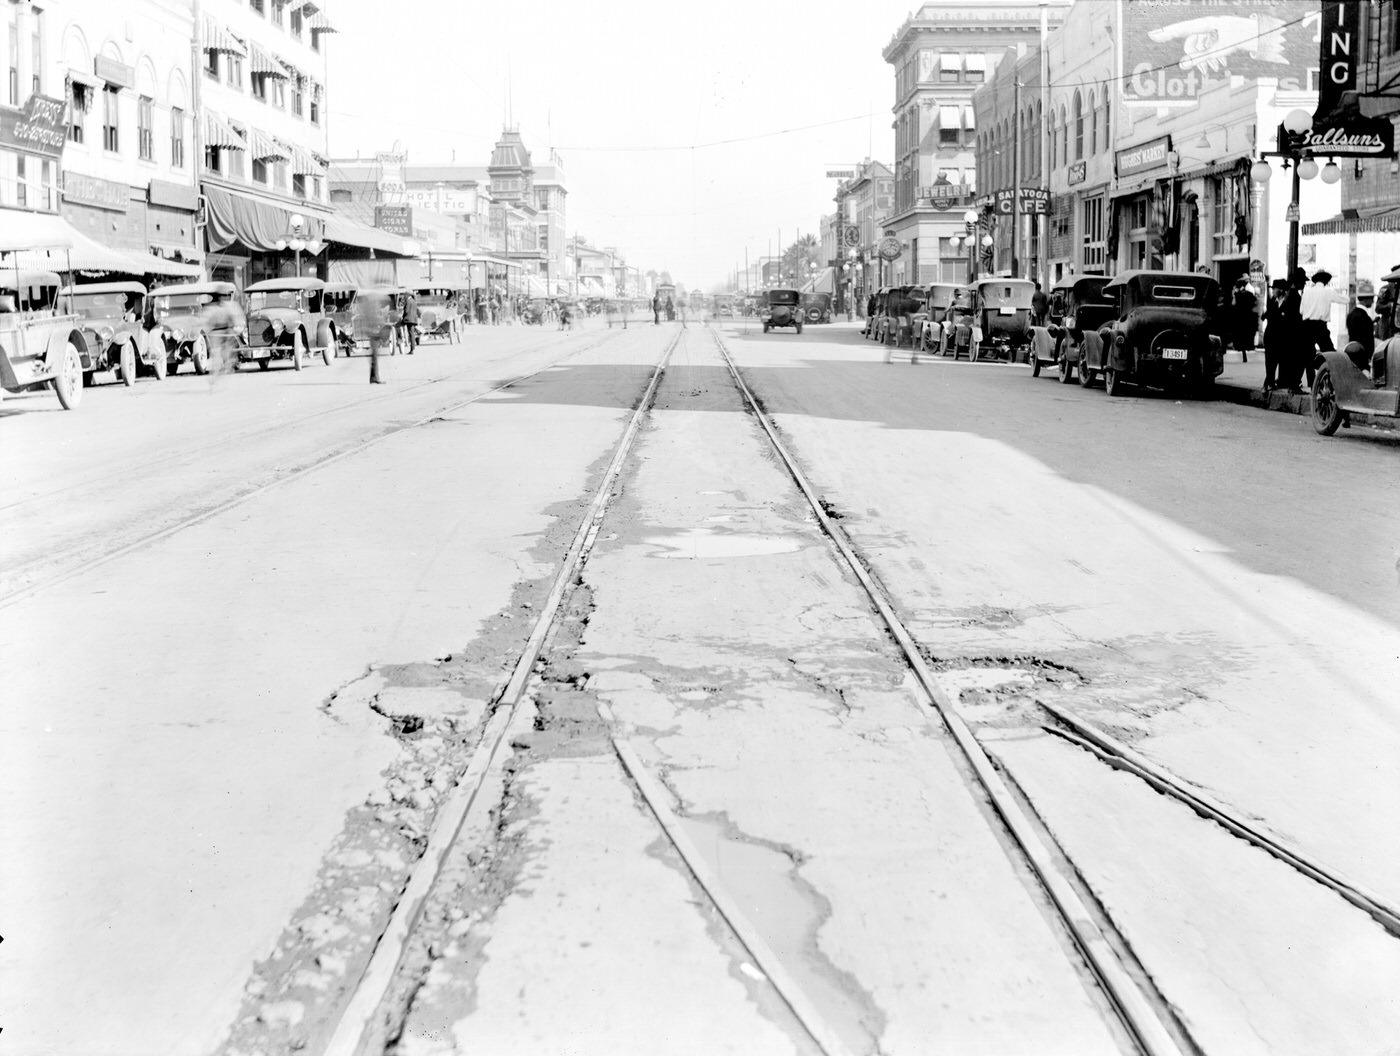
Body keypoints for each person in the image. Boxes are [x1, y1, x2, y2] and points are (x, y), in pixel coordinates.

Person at [1298, 268, 1343, 389]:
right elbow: (1344, 300)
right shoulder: (1327, 292)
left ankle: (1312, 384)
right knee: (1329, 352)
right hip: (1320, 326)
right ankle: (1332, 380)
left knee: (1308, 355)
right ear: (1326, 281)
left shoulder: (1307, 293)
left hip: (1307, 325)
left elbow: (1301, 311)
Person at [1261, 278, 1297, 392]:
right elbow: (1265, 315)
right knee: (1270, 362)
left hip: (1282, 338)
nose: (1273, 291)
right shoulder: (1272, 302)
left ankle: (1271, 383)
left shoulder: (1288, 303)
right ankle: (1268, 383)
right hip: (1270, 336)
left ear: (1281, 290)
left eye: (1275, 289)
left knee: (1281, 361)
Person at [355, 289, 390, 384]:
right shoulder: (372, 310)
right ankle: (375, 377)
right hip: (374, 333)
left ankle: (373, 377)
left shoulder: (369, 309)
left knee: (374, 356)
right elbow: (374, 321)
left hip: (373, 333)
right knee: (375, 356)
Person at [1231, 277, 1258, 362]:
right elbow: (1254, 305)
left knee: (1240, 335)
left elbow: (1233, 304)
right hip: (1248, 318)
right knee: (1246, 335)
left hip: (1239, 318)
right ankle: (1245, 352)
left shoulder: (1237, 295)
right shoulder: (1250, 294)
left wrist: (1234, 295)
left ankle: (1242, 351)